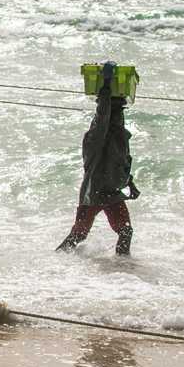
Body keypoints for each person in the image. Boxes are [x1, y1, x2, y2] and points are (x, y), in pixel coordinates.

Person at [57, 63, 139, 255]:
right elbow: (102, 116)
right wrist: (106, 86)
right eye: (117, 112)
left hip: (111, 192)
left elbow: (122, 162)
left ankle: (123, 266)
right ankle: (57, 261)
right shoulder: (95, 137)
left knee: (125, 231)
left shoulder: (120, 136)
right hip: (93, 192)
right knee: (78, 235)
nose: (120, 117)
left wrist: (130, 183)